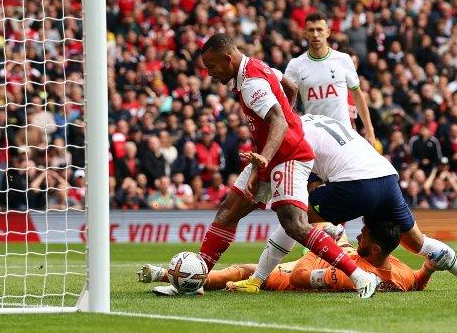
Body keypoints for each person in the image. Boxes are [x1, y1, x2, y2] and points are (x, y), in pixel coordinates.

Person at [150, 34, 381, 298]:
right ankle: (196, 280)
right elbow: (290, 86)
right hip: (270, 155)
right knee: (227, 212)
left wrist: (265, 158)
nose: (210, 74)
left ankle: (361, 277)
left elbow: (279, 122)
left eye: (212, 66)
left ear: (227, 59)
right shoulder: (258, 66)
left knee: (294, 224)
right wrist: (274, 144)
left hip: (289, 155)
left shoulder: (250, 82)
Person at [229, 114, 457, 292]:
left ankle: (256, 279)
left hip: (356, 183)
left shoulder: (290, 132)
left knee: (293, 218)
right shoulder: (318, 119)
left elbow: (273, 174)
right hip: (386, 177)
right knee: (418, 243)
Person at [138, 220, 440, 293]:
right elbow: (412, 283)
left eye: (365, 235)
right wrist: (426, 269)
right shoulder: (395, 269)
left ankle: (172, 277)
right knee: (324, 220)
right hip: (333, 252)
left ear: (374, 248)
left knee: (241, 271)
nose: (360, 234)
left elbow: (300, 277)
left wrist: (314, 247)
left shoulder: (350, 276)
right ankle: (174, 277)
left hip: (297, 272)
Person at [284, 11, 376, 145]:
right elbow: (285, 101)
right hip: (315, 138)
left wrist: (370, 131)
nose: (315, 34)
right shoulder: (295, 65)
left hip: (343, 135)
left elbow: (357, 95)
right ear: (305, 34)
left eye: (319, 30)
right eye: (311, 30)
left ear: (327, 32)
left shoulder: (343, 59)